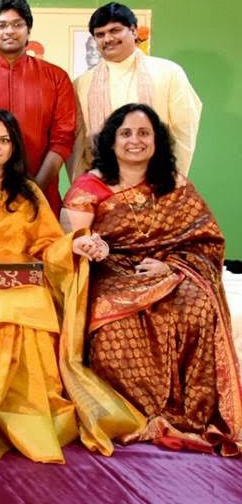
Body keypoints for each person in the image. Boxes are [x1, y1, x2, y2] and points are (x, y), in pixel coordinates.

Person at [0, 108, 141, 463]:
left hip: (25, 282)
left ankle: (33, 415)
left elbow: (49, 246)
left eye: (3, 140)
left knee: (36, 311)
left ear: (13, 148)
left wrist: (76, 245)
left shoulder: (28, 192)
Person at [62, 103, 242, 454]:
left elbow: (207, 241)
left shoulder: (175, 185)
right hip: (110, 269)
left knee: (198, 304)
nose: (135, 141)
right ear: (111, 141)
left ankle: (190, 412)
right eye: (126, 133)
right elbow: (71, 243)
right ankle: (130, 412)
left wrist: (172, 266)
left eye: (144, 133)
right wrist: (92, 247)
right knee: (113, 319)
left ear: (157, 140)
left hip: (167, 269)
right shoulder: (90, 186)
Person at [0, 0, 76, 213]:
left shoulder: (56, 78)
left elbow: (62, 140)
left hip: (43, 196)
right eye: (1, 25)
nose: (9, 31)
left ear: (28, 30)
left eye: (17, 24)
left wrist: (35, 189)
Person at [70, 2, 202, 179]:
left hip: (157, 179)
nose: (107, 39)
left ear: (133, 31)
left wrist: (172, 180)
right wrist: (85, 185)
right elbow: (78, 144)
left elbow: (184, 131)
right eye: (100, 34)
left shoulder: (169, 73)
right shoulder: (82, 84)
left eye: (115, 30)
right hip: (102, 182)